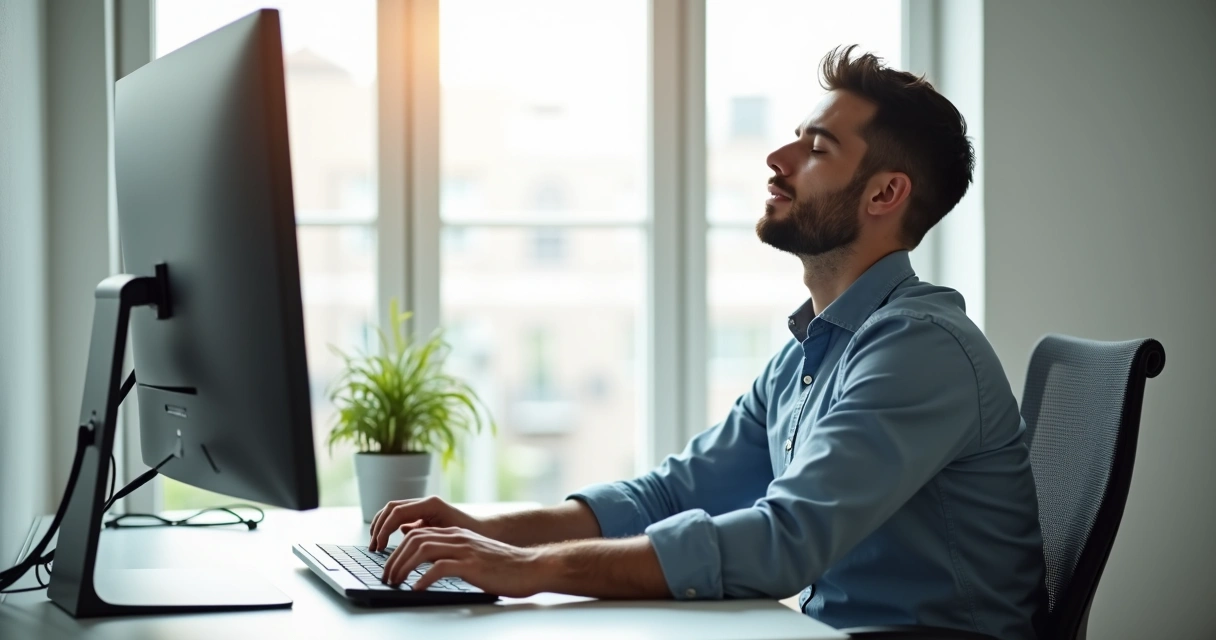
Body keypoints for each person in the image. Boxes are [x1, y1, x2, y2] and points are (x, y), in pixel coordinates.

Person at [367, 45, 1046, 639]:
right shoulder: (810, 354)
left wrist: (530, 569)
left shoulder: (918, 349)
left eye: (816, 149)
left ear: (884, 193)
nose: (777, 160)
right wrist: (485, 532)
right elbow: (669, 495)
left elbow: (783, 542)